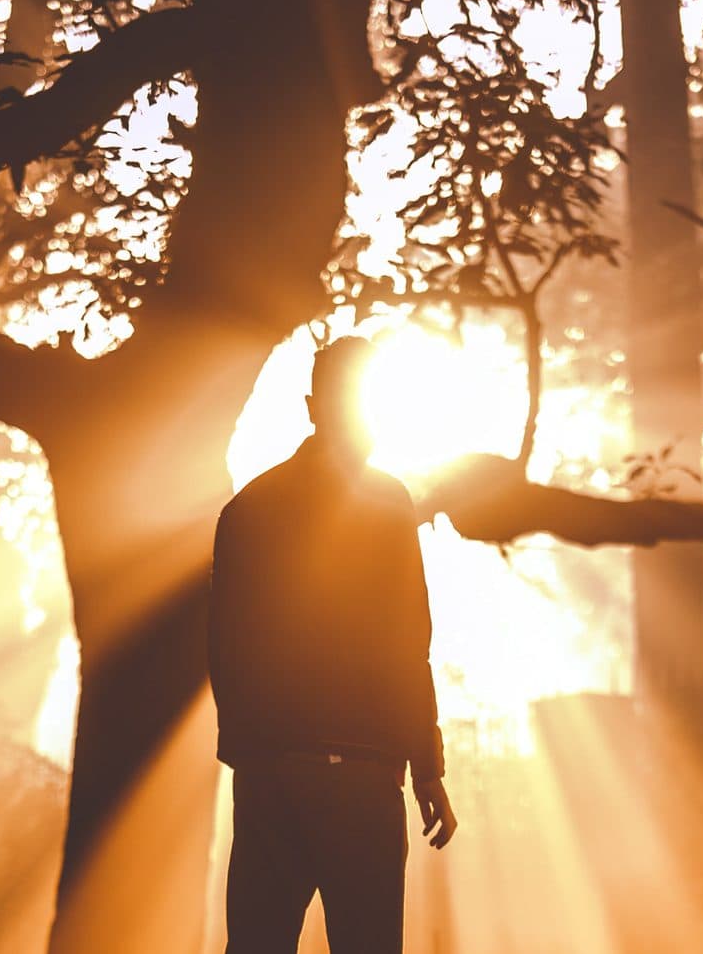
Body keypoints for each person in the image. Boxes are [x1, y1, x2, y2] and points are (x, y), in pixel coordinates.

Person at [209, 335, 458, 954]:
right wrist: (426, 769)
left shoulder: (248, 509)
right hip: (365, 776)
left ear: (312, 405)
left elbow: (224, 646)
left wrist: (251, 754)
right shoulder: (387, 504)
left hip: (273, 772)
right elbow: (408, 643)